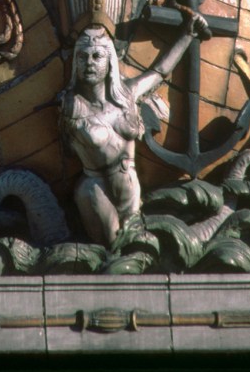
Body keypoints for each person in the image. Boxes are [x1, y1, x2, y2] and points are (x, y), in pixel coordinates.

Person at [58, 13, 205, 246]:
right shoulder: (71, 105)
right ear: (75, 62)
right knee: (113, 245)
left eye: (97, 56)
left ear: (110, 63)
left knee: (133, 243)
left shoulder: (128, 94)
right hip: (93, 187)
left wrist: (187, 35)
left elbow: (160, 71)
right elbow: (67, 150)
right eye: (83, 57)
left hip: (129, 182)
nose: (89, 63)